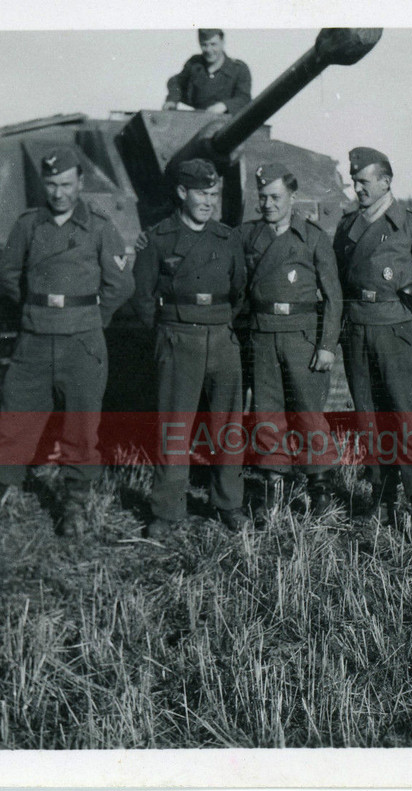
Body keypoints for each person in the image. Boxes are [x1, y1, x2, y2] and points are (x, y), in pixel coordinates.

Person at [0, 146, 135, 540]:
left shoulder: (101, 228)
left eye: (67, 185)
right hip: (35, 341)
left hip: (82, 344)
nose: (58, 193)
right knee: (12, 427)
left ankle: (74, 509)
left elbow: (120, 285)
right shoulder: (28, 226)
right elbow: (5, 275)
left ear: (80, 184)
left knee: (82, 431)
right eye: (51, 185)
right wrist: (32, 310)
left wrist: (93, 319)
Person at [132, 158, 251, 536]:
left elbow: (240, 292)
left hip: (220, 339)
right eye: (202, 193)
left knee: (228, 427)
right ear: (182, 192)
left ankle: (229, 503)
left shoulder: (227, 237)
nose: (209, 201)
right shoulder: (158, 237)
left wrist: (219, 322)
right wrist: (169, 330)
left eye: (214, 194)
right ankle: (167, 511)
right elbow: (143, 297)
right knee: (174, 427)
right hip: (177, 337)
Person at [333, 146, 412, 535]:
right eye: (354, 181)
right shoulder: (348, 226)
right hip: (358, 330)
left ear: (386, 181)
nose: (358, 188)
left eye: (364, 181)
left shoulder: (411, 225)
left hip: (395, 330)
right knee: (370, 417)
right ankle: (382, 499)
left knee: (407, 416)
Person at [238, 163, 342, 519]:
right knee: (268, 416)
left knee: (309, 415)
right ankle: (272, 492)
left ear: (292, 197)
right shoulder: (247, 236)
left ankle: (320, 490)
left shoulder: (312, 237)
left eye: (276, 197)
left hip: (302, 336)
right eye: (263, 197)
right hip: (263, 335)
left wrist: (327, 344)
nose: (268, 204)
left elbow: (333, 296)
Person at [162, 29, 251, 115]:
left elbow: (244, 98)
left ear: (223, 42)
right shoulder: (195, 64)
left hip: (227, 123)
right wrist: (172, 100)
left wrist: (224, 105)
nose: (208, 50)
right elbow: (175, 82)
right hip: (198, 118)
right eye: (204, 45)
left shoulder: (238, 68)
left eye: (213, 44)